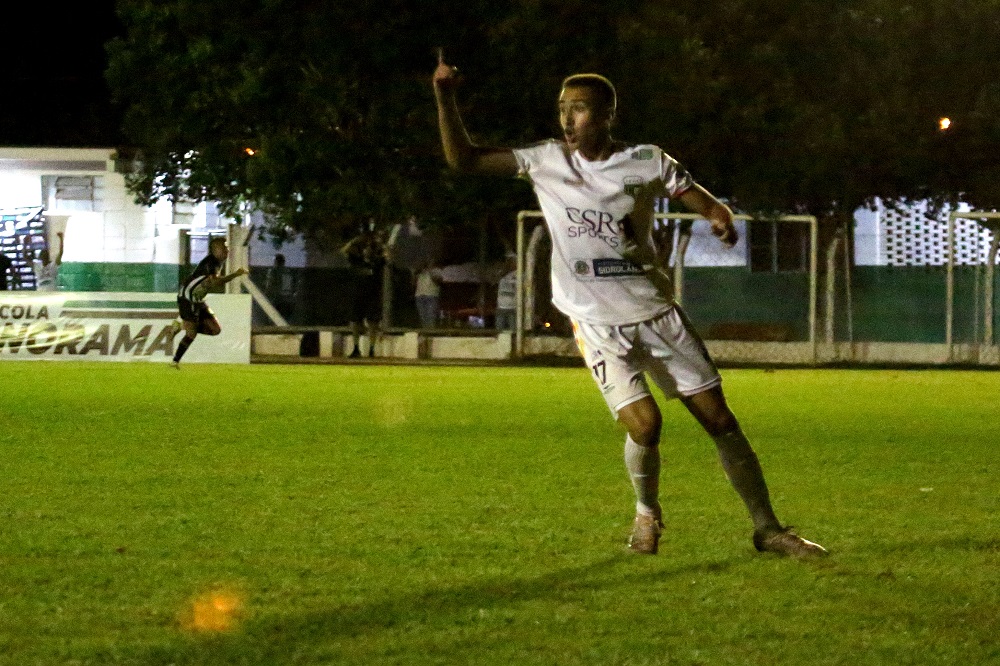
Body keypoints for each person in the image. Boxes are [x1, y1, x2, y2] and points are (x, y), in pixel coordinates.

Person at [433, 54, 826, 558]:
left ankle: (768, 529)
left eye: (578, 109)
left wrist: (717, 213)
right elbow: (463, 160)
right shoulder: (546, 161)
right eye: (561, 109)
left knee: (721, 422)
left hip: (657, 314)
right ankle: (647, 515)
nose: (567, 120)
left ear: (606, 116)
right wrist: (445, 98)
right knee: (645, 425)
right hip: (596, 323)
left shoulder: (645, 160)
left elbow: (692, 192)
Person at [171, 237, 248, 368]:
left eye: (227, 247)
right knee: (191, 333)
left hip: (198, 299)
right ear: (215, 250)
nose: (227, 250)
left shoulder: (218, 262)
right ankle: (175, 362)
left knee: (215, 329)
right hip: (187, 298)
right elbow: (216, 282)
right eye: (224, 247)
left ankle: (183, 325)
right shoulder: (211, 262)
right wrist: (236, 274)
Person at [341, 224, 389, 357]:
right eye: (365, 248)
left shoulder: (377, 263)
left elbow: (388, 256)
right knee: (355, 322)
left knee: (373, 323)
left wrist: (381, 244)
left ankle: (372, 349)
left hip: (372, 295)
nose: (367, 250)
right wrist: (358, 239)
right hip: (358, 295)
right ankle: (356, 348)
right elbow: (345, 251)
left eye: (369, 248)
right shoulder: (356, 261)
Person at [264, 253, 296, 320]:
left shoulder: (274, 271)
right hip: (288, 300)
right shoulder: (289, 272)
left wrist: (267, 294)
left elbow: (269, 285)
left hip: (278, 300)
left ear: (276, 262)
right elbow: (293, 287)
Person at [414, 260, 443, 328]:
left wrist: (431, 272)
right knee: (422, 318)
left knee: (431, 317)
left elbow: (438, 281)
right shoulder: (420, 272)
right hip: (419, 296)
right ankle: (425, 334)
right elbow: (414, 283)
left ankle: (430, 334)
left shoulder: (437, 271)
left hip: (431, 296)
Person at [494, 254, 518, 331]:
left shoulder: (519, 274)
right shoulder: (502, 274)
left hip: (513, 307)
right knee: (499, 331)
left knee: (513, 331)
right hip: (501, 307)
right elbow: (494, 280)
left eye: (512, 261)